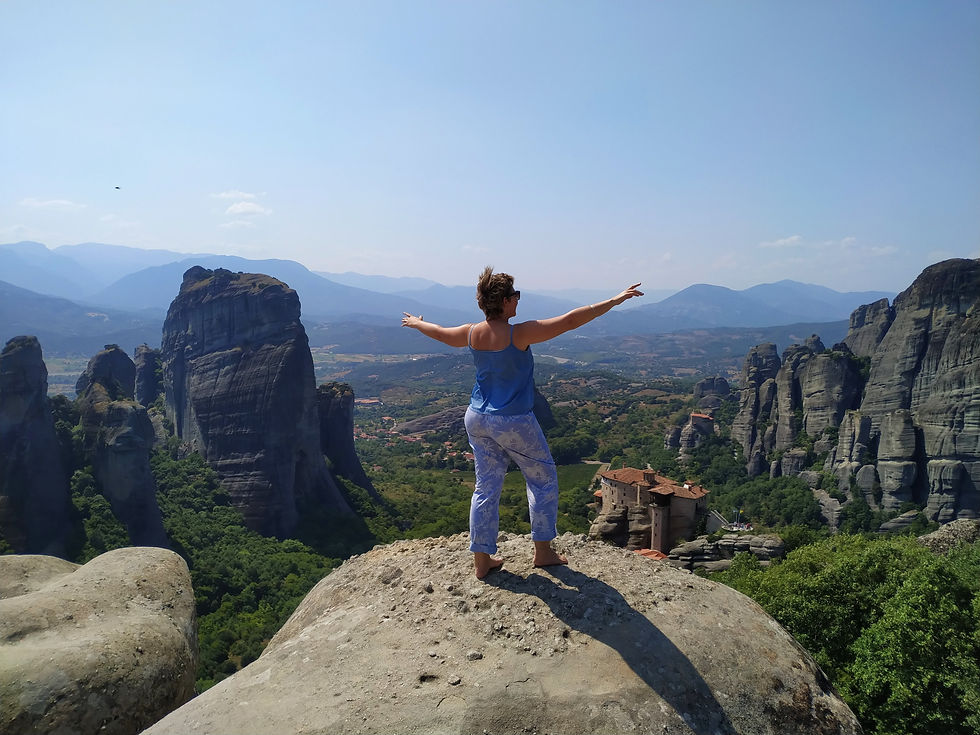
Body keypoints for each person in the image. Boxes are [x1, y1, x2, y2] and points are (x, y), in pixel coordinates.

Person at [402, 267, 643, 579]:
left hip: (476, 417)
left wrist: (417, 323)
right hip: (513, 420)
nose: (518, 300)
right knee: (542, 480)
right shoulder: (519, 334)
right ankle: (543, 552)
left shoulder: (471, 332)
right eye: (515, 296)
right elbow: (571, 321)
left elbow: (440, 332)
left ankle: (482, 561)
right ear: (504, 302)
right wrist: (615, 299)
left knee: (485, 487)